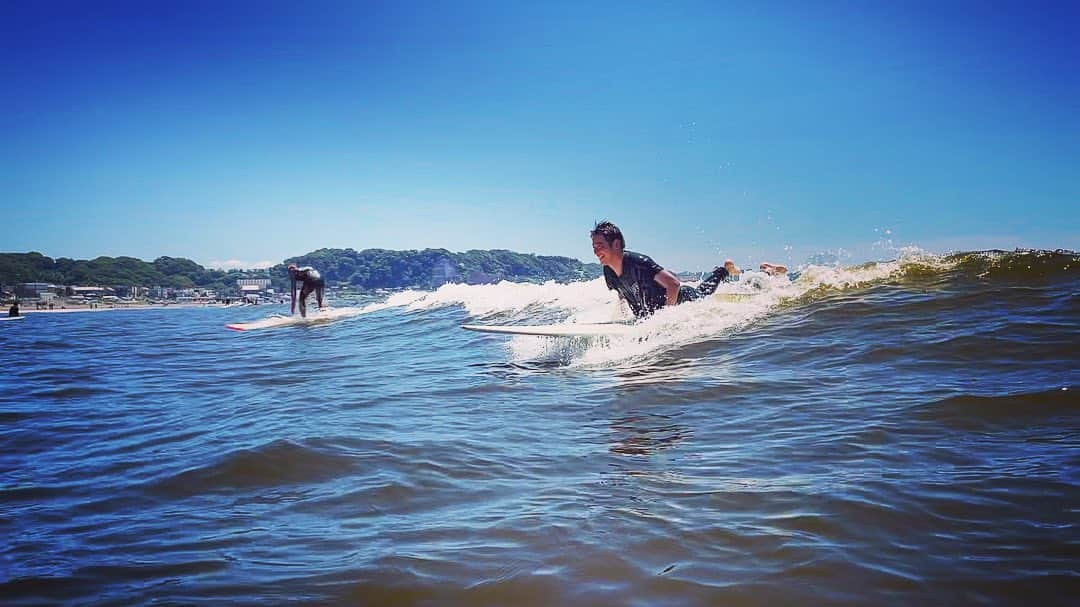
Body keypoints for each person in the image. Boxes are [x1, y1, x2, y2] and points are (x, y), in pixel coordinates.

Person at [590, 220, 737, 319]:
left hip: (685, 300)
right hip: (659, 312)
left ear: (616, 244)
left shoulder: (638, 262)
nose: (595, 252)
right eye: (594, 247)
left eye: (600, 245)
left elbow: (673, 284)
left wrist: (666, 320)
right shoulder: (608, 271)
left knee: (704, 292)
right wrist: (621, 318)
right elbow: (622, 293)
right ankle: (723, 270)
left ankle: (723, 270)